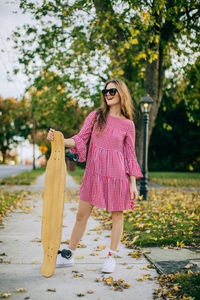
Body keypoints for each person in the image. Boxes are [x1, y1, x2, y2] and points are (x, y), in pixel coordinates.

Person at [47, 78, 143, 273]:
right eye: (105, 91)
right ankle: (70, 255)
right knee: (81, 215)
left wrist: (133, 182)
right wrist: (58, 138)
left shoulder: (128, 125)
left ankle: (111, 257)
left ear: (121, 94)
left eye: (112, 91)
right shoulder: (96, 116)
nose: (107, 94)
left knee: (117, 217)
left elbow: (130, 154)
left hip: (118, 176)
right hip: (94, 173)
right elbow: (80, 139)